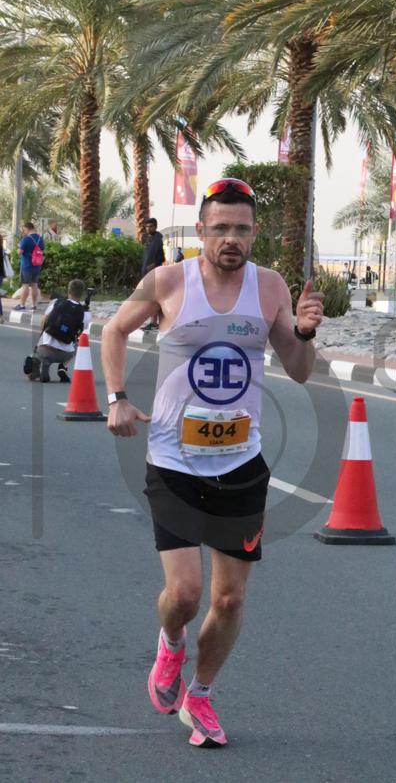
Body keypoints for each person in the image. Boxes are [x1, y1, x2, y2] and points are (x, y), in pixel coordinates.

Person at [101, 177, 324, 748]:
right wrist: (117, 397)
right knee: (184, 595)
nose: (231, 238)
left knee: (229, 599)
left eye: (241, 229)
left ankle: (200, 695)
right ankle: (171, 643)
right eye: (220, 227)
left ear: (255, 233)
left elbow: (299, 371)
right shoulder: (167, 281)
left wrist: (303, 333)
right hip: (173, 461)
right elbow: (114, 330)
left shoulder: (269, 287)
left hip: (241, 465)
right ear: (200, 230)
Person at [28, 279, 90, 383]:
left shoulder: (56, 302)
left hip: (44, 349)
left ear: (68, 290)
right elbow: (80, 331)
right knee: (79, 342)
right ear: (82, 294)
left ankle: (43, 363)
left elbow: (43, 322)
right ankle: (63, 367)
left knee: (34, 363)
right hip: (65, 354)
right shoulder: (85, 313)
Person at [14, 222, 45, 311]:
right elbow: (42, 251)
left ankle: (22, 305)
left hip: (27, 266)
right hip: (37, 266)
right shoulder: (40, 238)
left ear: (27, 228)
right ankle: (34, 305)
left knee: (25, 285)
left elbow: (19, 252)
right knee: (35, 285)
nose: (23, 232)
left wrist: (18, 249)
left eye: (24, 230)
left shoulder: (26, 239)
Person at [141, 218, 165, 331]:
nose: (148, 228)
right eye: (147, 226)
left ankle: (154, 322)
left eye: (150, 226)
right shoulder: (149, 239)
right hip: (147, 273)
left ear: (155, 227)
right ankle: (154, 322)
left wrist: (154, 265)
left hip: (154, 273)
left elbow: (162, 258)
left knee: (153, 299)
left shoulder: (157, 240)